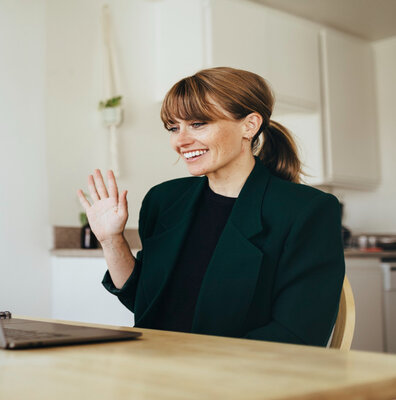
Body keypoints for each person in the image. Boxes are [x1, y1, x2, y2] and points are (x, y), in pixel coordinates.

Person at [77, 67, 345, 347]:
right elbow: (148, 305)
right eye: (173, 128)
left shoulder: (307, 211)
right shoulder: (163, 201)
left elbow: (298, 335)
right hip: (157, 371)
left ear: (249, 125)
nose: (180, 141)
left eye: (198, 124)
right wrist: (111, 240)